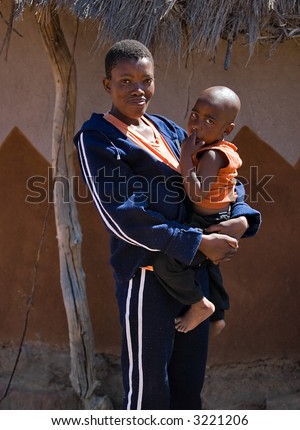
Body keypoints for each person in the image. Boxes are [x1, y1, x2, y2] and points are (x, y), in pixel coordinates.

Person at [74, 39, 261, 410]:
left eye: (145, 79)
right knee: (150, 391)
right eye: (125, 80)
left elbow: (222, 176)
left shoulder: (169, 130)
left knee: (188, 385)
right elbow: (124, 216)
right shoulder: (98, 139)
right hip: (149, 276)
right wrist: (197, 241)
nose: (137, 89)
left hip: (195, 273)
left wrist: (242, 217)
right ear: (106, 84)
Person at [153, 86, 243, 336]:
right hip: (214, 216)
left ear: (227, 130)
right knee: (209, 263)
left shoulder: (212, 155)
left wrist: (184, 158)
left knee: (166, 263)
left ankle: (198, 304)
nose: (197, 124)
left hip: (206, 219)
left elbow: (197, 193)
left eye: (209, 120)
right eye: (195, 115)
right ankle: (219, 315)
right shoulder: (219, 151)